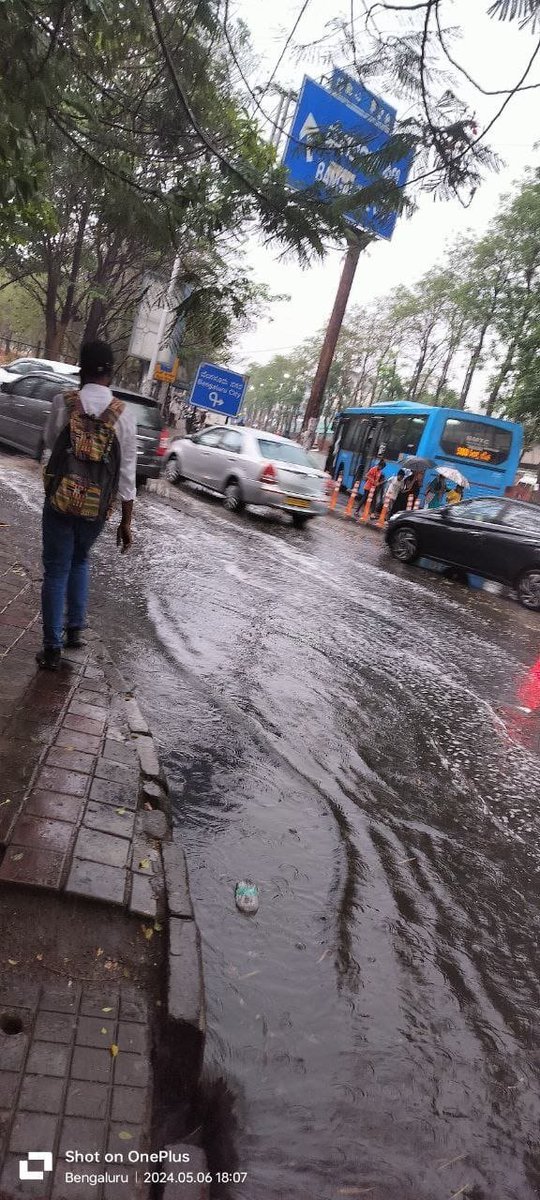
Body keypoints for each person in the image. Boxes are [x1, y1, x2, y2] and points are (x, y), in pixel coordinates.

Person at [36, 340, 137, 671]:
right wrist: (126, 522)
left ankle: (52, 648)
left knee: (56, 568)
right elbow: (127, 474)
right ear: (111, 372)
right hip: (97, 506)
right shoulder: (124, 415)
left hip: (61, 499)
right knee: (80, 560)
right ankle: (75, 630)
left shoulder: (63, 403)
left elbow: (51, 442)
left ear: (81, 369)